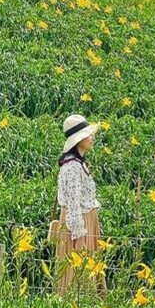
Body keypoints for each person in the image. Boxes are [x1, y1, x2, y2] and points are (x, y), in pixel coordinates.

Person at [55, 114, 106, 296]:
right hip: (78, 225)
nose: (93, 138)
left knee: (86, 266)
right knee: (78, 265)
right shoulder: (72, 167)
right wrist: (79, 235)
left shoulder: (78, 164)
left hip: (86, 222)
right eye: (89, 134)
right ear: (78, 140)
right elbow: (73, 204)